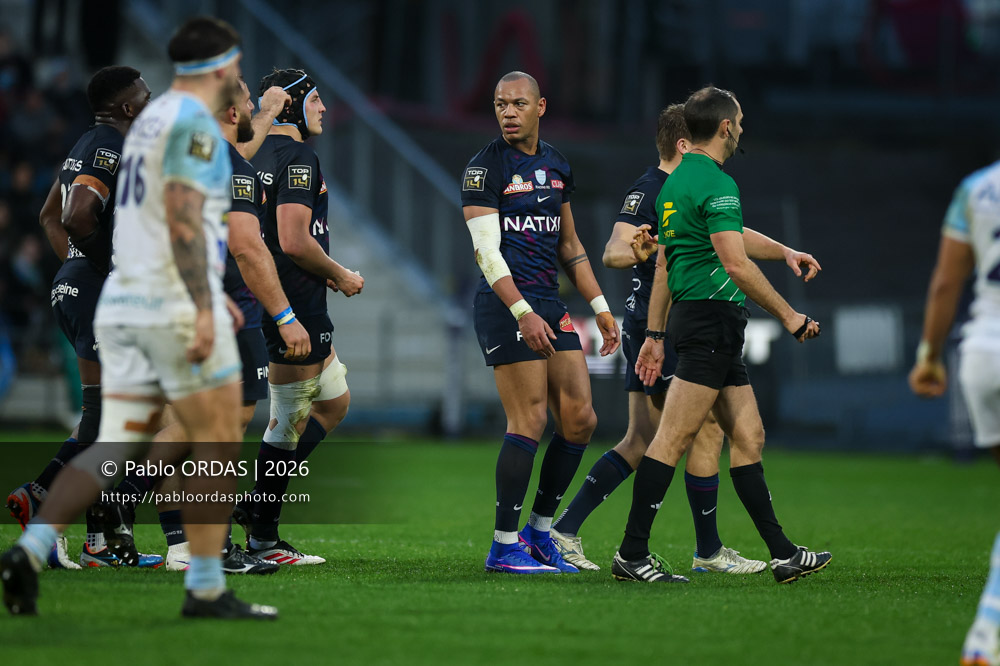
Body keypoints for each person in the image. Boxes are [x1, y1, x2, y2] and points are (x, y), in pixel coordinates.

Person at [0, 16, 277, 619]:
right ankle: (205, 585)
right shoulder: (190, 127)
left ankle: (31, 547)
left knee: (117, 435)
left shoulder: (146, 124)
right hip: (162, 296)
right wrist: (203, 301)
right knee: (215, 433)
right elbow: (181, 214)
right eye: (231, 64)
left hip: (121, 297)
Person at [553, 103, 802, 576]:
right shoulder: (654, 188)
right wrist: (638, 251)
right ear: (685, 144)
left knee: (654, 436)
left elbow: (732, 235)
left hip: (665, 323)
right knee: (678, 434)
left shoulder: (689, 188)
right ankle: (684, 549)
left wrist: (784, 251)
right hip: (660, 325)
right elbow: (611, 251)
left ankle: (574, 531)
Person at [611, 85, 831, 585]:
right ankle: (631, 553)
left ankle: (783, 554)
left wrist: (655, 334)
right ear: (726, 127)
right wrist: (790, 316)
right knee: (672, 438)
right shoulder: (717, 181)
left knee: (749, 436)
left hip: (708, 324)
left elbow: (666, 265)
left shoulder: (675, 185)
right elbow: (735, 262)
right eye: (741, 122)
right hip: (709, 321)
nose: (742, 130)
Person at [461, 71, 620, 574]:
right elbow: (487, 253)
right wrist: (522, 312)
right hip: (507, 305)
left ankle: (539, 532)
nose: (508, 112)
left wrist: (600, 306)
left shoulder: (556, 164)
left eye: (518, 104)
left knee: (580, 419)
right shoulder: (484, 168)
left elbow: (569, 245)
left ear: (541, 107)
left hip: (550, 304)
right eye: (500, 104)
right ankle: (503, 546)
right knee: (529, 420)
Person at [7, 65, 159, 569]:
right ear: (128, 107)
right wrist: (110, 268)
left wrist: (75, 265)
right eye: (146, 96)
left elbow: (49, 215)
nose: (153, 102)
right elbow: (74, 217)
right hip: (96, 293)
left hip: (75, 286)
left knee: (106, 416)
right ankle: (43, 499)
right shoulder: (110, 147)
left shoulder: (84, 144)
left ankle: (94, 539)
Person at [235, 67, 363, 566]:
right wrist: (340, 273)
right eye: (315, 99)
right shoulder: (299, 156)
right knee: (285, 423)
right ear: (290, 105)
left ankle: (253, 507)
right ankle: (262, 536)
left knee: (333, 402)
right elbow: (292, 240)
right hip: (293, 306)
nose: (324, 108)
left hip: (277, 296)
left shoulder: (250, 152)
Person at [909, 160, 1000, 665]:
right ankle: (986, 631)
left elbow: (947, 282)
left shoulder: (977, 188)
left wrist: (929, 355)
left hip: (983, 355)